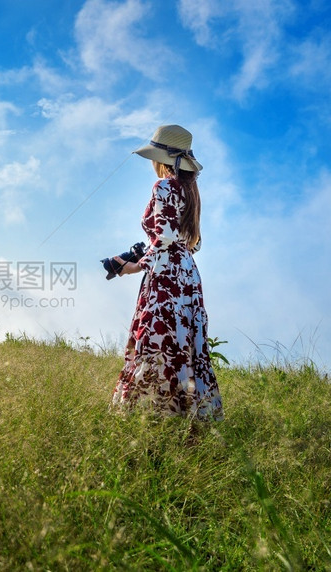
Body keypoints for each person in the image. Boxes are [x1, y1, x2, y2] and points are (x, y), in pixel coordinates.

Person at [109, 124, 223, 421]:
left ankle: (150, 416)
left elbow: (164, 239)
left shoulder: (163, 187)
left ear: (163, 159)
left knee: (155, 340)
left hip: (166, 277)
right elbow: (190, 244)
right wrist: (145, 254)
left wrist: (131, 266)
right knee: (185, 345)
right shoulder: (192, 192)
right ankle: (189, 418)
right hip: (188, 276)